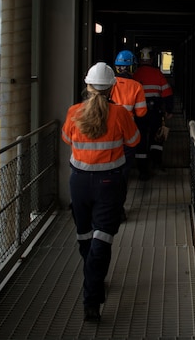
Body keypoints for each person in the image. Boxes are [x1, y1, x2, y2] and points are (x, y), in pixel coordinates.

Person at [61, 62, 140, 322]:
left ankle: (93, 283)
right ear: (111, 88)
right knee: (102, 239)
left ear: (88, 85)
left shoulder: (74, 112)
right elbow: (133, 142)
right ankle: (91, 299)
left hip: (79, 183)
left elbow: (67, 140)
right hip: (110, 183)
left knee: (85, 237)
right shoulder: (120, 114)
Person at [109, 49, 146, 220]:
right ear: (132, 67)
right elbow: (141, 113)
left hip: (108, 134)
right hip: (127, 135)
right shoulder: (136, 86)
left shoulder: (109, 84)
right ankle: (118, 210)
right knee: (123, 173)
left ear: (117, 67)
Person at [132, 46, 174, 179]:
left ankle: (142, 169)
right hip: (155, 112)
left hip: (139, 113)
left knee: (141, 138)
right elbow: (167, 94)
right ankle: (156, 163)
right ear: (151, 60)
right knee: (157, 137)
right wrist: (169, 110)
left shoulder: (135, 74)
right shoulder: (158, 74)